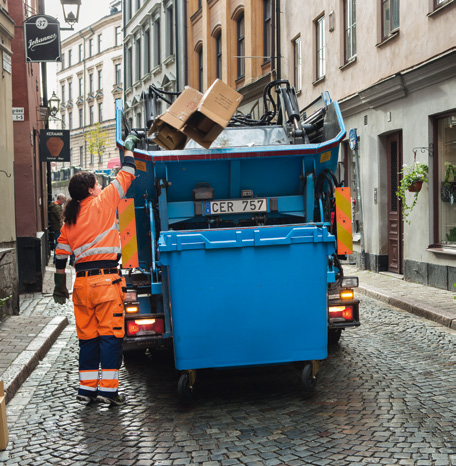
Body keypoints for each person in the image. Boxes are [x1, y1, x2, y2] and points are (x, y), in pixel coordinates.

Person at [53, 135, 140, 406]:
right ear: (91, 190)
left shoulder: (69, 219)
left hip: (81, 286)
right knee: (111, 337)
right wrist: (128, 148)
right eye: (97, 184)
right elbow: (127, 174)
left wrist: (59, 285)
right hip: (106, 284)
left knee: (88, 339)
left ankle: (86, 390)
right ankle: (109, 391)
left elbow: (60, 256)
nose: (101, 186)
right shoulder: (103, 204)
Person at [49, 193, 66, 260]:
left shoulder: (56, 206)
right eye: (63, 200)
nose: (64, 201)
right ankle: (56, 258)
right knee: (58, 242)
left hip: (57, 227)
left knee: (58, 242)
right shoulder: (57, 207)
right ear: (60, 199)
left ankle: (56, 258)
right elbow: (60, 217)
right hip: (58, 227)